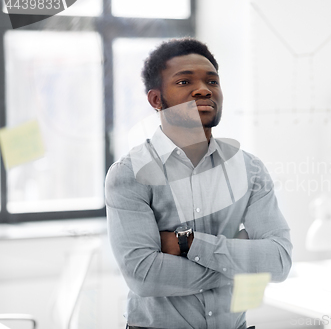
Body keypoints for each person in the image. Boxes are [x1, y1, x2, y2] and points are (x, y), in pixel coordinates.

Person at [105, 38, 292, 329]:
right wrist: (238, 263)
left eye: (212, 81)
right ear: (156, 100)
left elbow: (279, 262)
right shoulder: (129, 174)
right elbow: (144, 276)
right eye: (183, 82)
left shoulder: (249, 169)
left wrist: (187, 243)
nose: (204, 89)